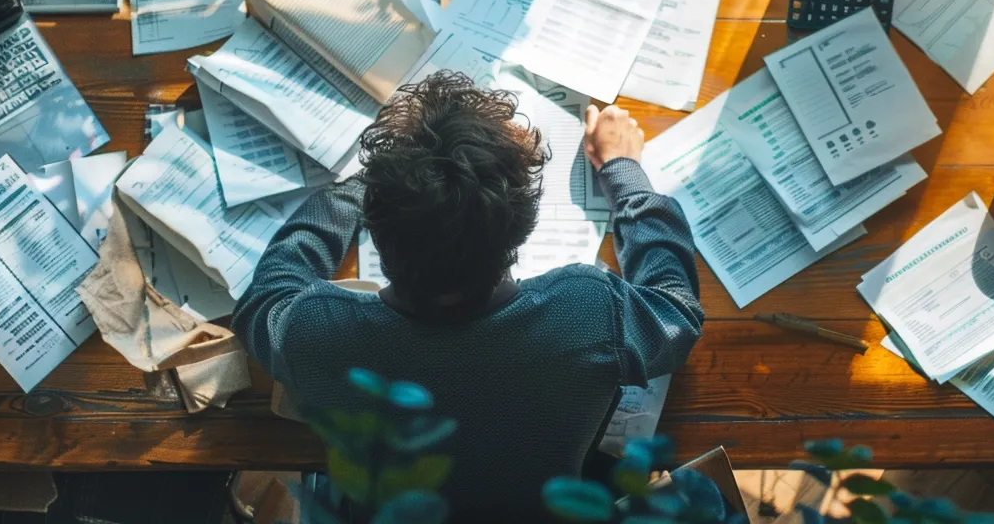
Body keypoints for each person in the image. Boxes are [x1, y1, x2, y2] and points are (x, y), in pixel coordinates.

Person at [233, 71, 702, 517]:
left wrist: (369, 186)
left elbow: (263, 299)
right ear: (521, 228)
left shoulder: (321, 332)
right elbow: (677, 310)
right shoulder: (586, 313)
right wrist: (624, 173)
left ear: (379, 231)